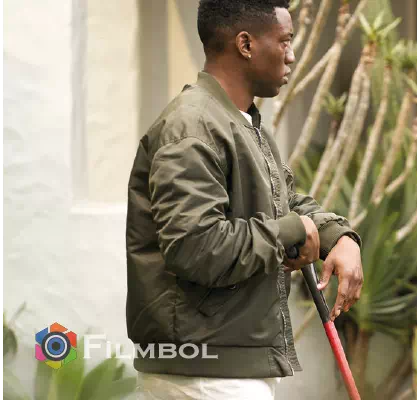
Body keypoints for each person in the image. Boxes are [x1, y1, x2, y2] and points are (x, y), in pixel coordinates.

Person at [125, 1, 363, 398]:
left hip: (224, 368)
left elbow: (283, 202)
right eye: (285, 41)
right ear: (246, 44)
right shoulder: (192, 126)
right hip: (203, 374)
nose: (291, 56)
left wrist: (338, 236)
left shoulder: (240, 122)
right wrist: (292, 231)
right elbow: (195, 246)